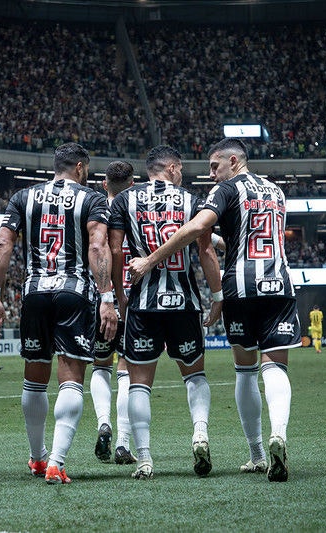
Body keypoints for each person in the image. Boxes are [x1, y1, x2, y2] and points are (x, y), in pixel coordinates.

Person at [129, 138, 301, 482]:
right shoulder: (277, 192)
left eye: (214, 166)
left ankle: (256, 453)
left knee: (246, 370)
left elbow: (197, 228)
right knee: (276, 367)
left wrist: (150, 258)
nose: (211, 174)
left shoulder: (224, 191)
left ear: (233, 161)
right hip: (279, 283)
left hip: (240, 286)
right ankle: (278, 435)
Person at [0, 142, 117, 485]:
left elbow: (2, 245)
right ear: (80, 168)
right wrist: (107, 297)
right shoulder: (92, 199)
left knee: (34, 377)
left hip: (35, 293)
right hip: (74, 293)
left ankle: (38, 457)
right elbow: (98, 246)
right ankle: (57, 461)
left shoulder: (23, 197)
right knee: (71, 377)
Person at [109, 145, 223, 480]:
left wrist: (119, 296)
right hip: (184, 300)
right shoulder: (191, 200)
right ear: (172, 168)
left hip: (143, 303)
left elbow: (116, 250)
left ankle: (144, 458)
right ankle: (200, 433)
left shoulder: (124, 200)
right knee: (194, 375)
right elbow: (205, 250)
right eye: (182, 168)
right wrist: (216, 296)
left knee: (139, 383)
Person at [90, 160, 137, 466]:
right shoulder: (139, 209)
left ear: (105, 185)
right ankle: (122, 442)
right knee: (129, 371)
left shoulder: (95, 211)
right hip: (134, 298)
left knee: (100, 366)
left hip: (99, 298)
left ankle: (103, 422)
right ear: (132, 185)